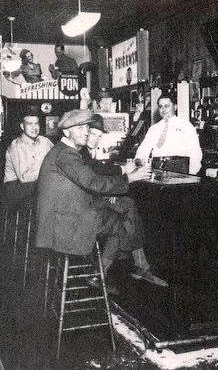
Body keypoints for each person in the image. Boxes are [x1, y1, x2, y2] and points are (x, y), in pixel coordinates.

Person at [36, 109, 164, 293]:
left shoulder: (64, 151)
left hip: (63, 216)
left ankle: (109, 271)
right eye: (80, 128)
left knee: (120, 218)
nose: (86, 132)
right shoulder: (66, 154)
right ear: (66, 132)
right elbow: (93, 182)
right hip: (65, 224)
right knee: (120, 224)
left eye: (87, 127)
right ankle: (105, 273)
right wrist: (130, 178)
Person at [80, 115, 166, 286]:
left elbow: (98, 171)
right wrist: (124, 173)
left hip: (96, 198)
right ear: (85, 133)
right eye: (93, 134)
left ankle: (131, 268)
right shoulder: (80, 152)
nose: (96, 139)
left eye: (99, 135)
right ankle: (138, 267)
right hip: (89, 205)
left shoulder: (86, 152)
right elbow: (94, 175)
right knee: (127, 214)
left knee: (128, 209)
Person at [135, 94, 203, 174]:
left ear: (175, 107)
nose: (163, 109)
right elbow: (143, 149)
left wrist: (190, 175)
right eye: (160, 106)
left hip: (180, 172)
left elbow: (196, 153)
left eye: (166, 106)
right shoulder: (154, 129)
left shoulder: (186, 126)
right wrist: (139, 161)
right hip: (157, 172)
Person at [3, 110, 54, 210]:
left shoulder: (44, 141)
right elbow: (24, 178)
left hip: (37, 185)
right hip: (16, 188)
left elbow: (57, 156)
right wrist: (48, 170)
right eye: (30, 124)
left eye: (36, 124)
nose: (34, 128)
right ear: (22, 126)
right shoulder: (16, 146)